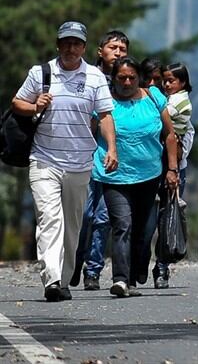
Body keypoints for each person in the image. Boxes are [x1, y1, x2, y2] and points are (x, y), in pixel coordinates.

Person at [11, 21, 118, 302]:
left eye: (76, 43)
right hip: (44, 159)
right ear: (58, 45)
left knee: (73, 224)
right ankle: (52, 280)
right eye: (66, 42)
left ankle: (66, 275)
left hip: (80, 162)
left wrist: (111, 149)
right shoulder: (41, 73)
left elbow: (105, 115)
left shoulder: (95, 77)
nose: (71, 48)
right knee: (49, 219)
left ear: (84, 47)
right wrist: (35, 106)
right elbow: (17, 103)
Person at [93, 57, 179, 297]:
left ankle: (131, 278)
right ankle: (120, 279)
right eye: (122, 78)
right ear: (113, 79)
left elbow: (170, 135)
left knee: (142, 230)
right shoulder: (104, 101)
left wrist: (172, 169)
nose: (127, 82)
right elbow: (90, 131)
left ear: (139, 77)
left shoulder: (153, 97)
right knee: (123, 225)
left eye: (132, 77)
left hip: (149, 176)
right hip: (114, 176)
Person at [72, 29, 129, 291]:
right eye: (113, 47)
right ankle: (72, 260)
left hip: (111, 158)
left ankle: (92, 270)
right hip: (82, 156)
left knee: (104, 217)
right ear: (100, 51)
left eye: (122, 49)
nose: (118, 53)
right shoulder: (86, 76)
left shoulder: (127, 81)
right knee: (83, 214)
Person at [144, 58, 194, 289]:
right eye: (160, 81)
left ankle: (162, 266)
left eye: (169, 81)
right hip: (154, 162)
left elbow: (159, 118)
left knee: (166, 216)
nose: (164, 85)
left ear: (182, 82)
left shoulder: (179, 103)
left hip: (171, 164)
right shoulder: (170, 99)